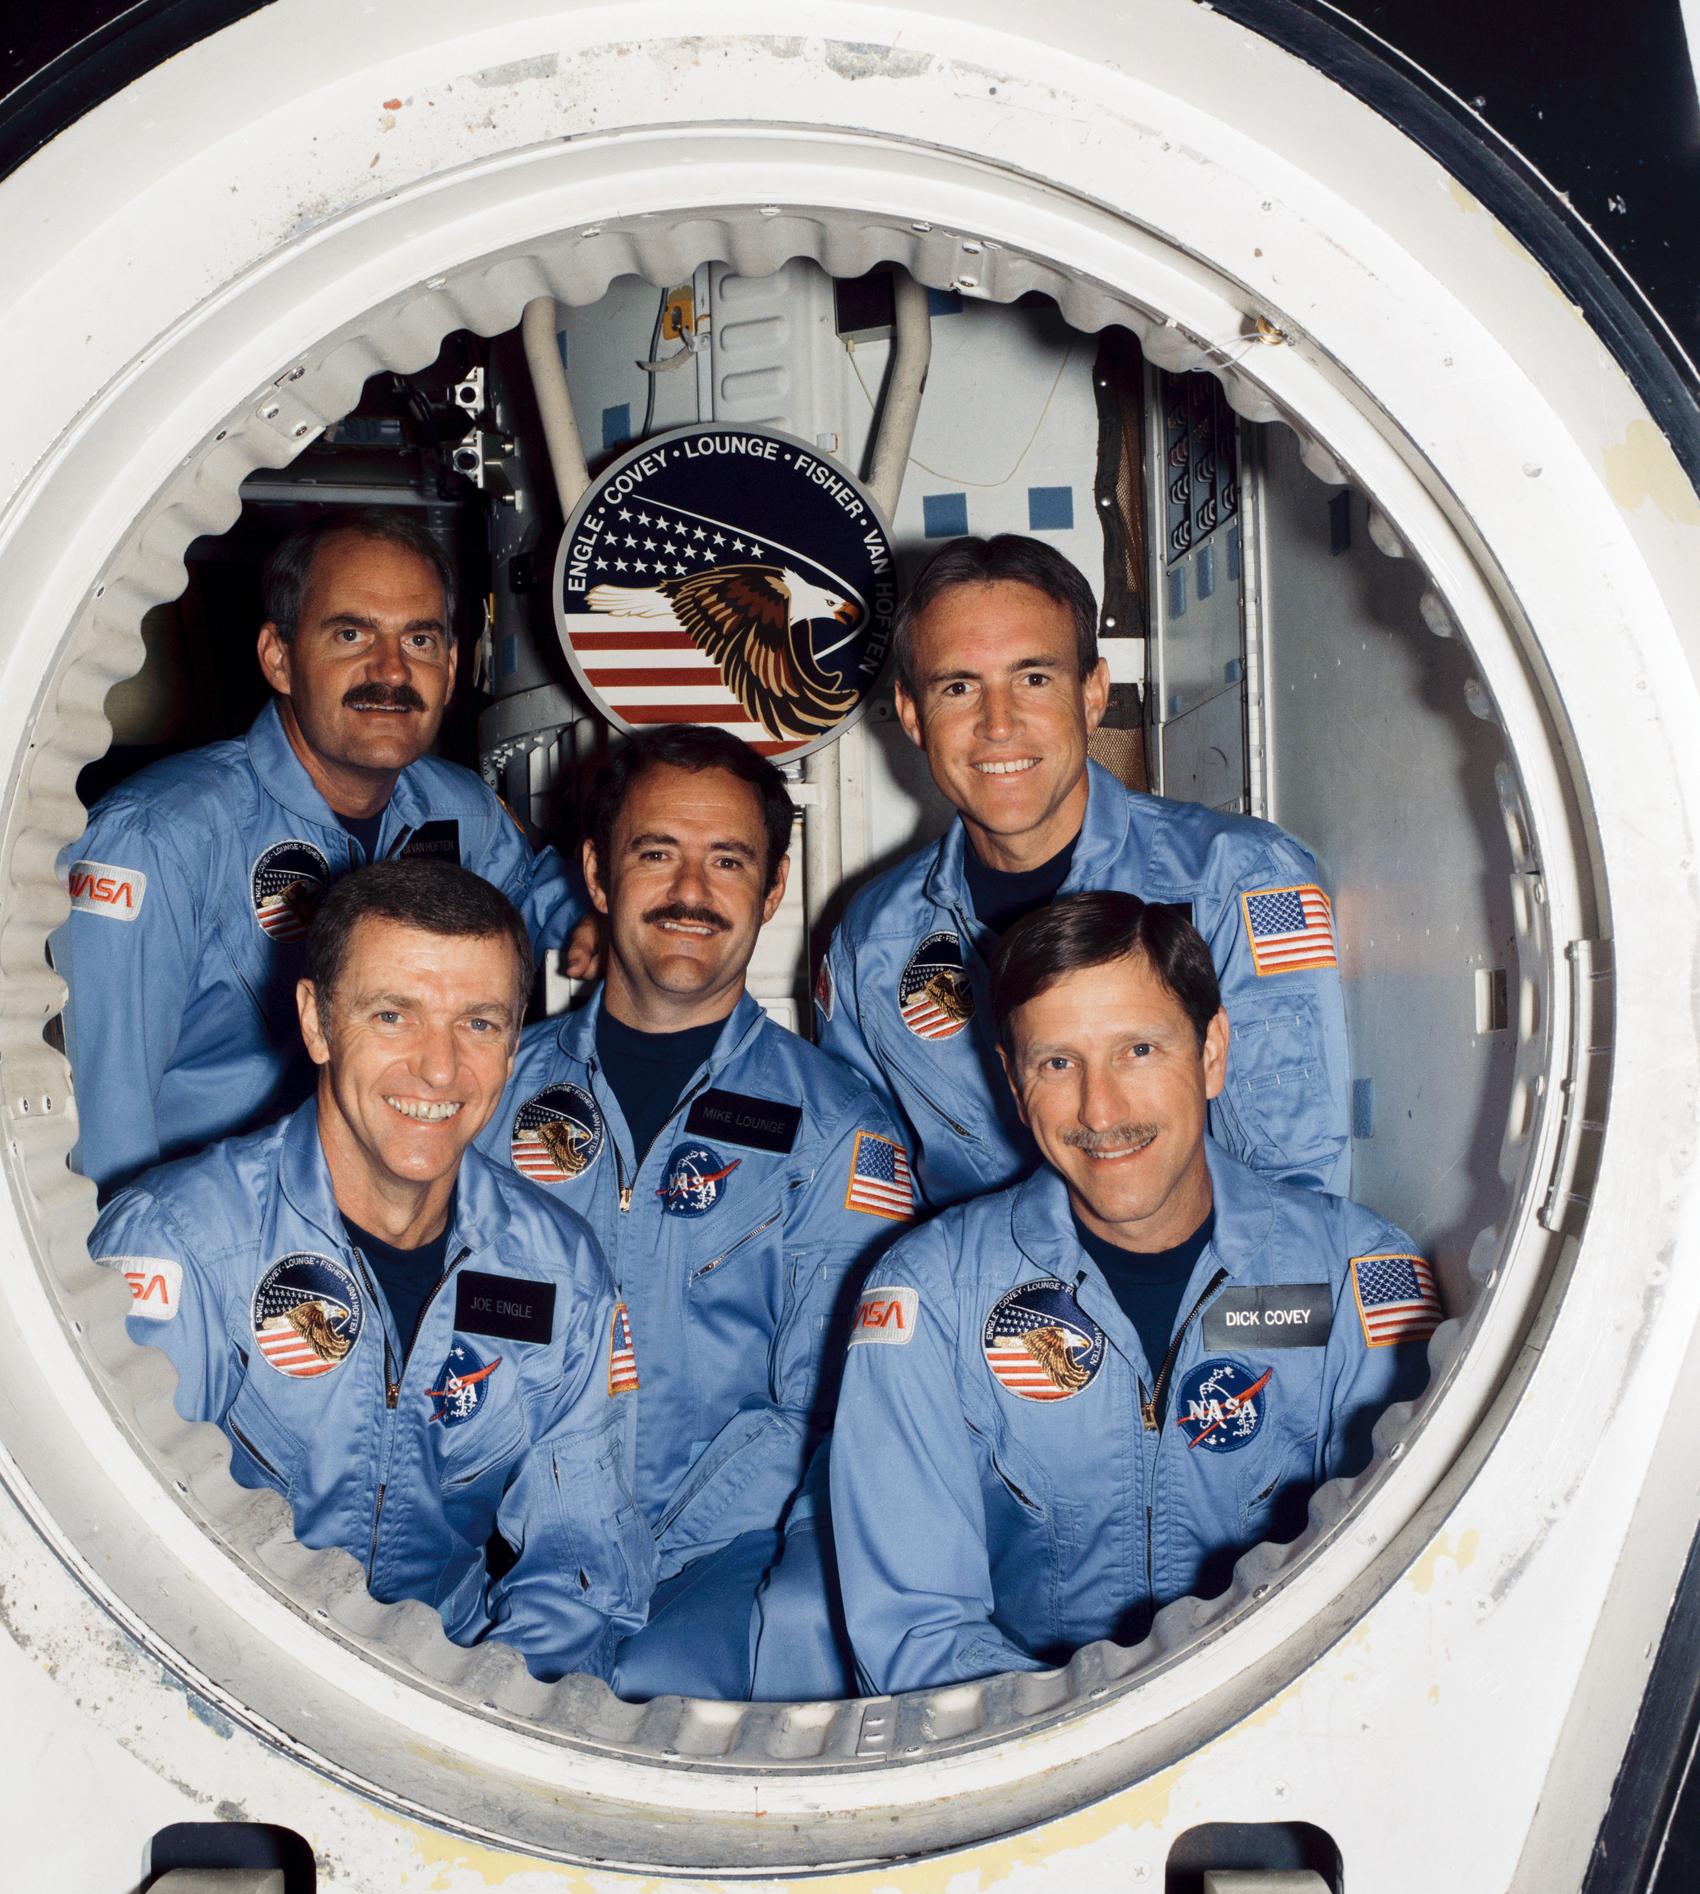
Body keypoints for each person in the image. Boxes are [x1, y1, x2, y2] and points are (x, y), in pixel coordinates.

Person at [831, 892, 1437, 1695]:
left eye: (1140, 1050)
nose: (1101, 1110)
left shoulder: (1359, 1275)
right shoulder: (930, 1297)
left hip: (1282, 1719)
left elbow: (1398, 1585)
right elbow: (917, 1632)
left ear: (1212, 1052)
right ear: (1014, 1086)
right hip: (1028, 1741)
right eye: (1057, 1063)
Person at [90, 861, 650, 1682]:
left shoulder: (558, 1271)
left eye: (481, 1024)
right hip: (221, 1679)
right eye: (394, 1015)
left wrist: (486, 1717)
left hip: (450, 1684)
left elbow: (582, 1566)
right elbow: (127, 1559)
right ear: (317, 1023)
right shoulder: (182, 1245)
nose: (439, 1068)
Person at [477, 724, 915, 1701]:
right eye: (656, 853)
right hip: (502, 1550)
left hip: (713, 1573)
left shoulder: (838, 1135)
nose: (689, 891)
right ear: (596, 873)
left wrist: (644, 1555)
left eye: (727, 861)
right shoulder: (484, 1094)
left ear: (772, 888)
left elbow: (834, 1414)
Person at [59, 507, 594, 1194]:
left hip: (398, 1203)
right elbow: (109, 1130)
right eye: (351, 634)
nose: (392, 671)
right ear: (278, 657)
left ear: (453, 666)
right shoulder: (160, 838)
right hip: (216, 1228)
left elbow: (540, 897)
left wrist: (594, 920)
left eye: (421, 640)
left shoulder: (457, 810)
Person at [816, 533, 1351, 1208]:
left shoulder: (1236, 881)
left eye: (1033, 679)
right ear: (913, 716)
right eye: (958, 687)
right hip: (977, 1304)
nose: (998, 724)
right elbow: (863, 1204)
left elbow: (1293, 1187)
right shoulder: (874, 940)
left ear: (1093, 694)